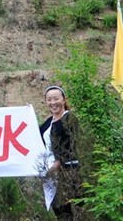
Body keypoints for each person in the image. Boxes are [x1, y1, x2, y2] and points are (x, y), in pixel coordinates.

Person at [39, 85, 81, 220]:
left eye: (56, 99)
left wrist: (57, 165)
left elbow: (71, 146)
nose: (53, 103)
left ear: (64, 100)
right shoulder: (48, 122)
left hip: (69, 171)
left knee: (67, 207)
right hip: (52, 172)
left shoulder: (70, 119)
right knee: (59, 210)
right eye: (49, 100)